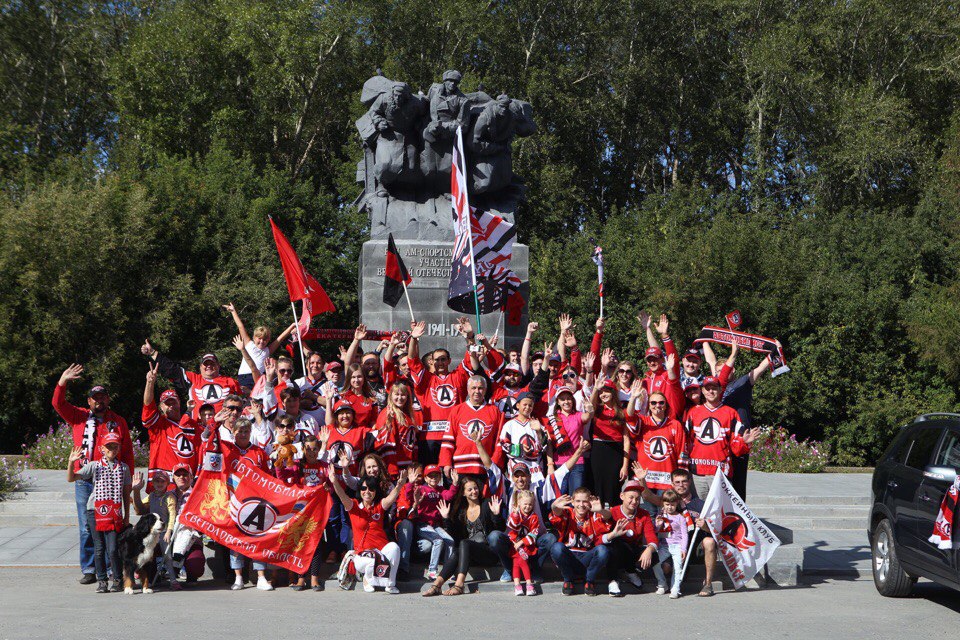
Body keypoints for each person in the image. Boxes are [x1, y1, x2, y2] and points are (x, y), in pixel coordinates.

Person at [53, 364, 134, 585]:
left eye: (103, 397)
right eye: (95, 397)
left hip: (111, 480)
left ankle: (110, 568)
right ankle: (90, 569)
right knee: (86, 527)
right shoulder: (78, 416)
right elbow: (58, 404)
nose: (99, 401)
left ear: (108, 400)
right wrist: (63, 381)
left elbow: (126, 452)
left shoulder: (118, 421)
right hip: (86, 480)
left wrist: (128, 484)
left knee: (111, 525)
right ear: (89, 401)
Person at [407, 319, 481, 464]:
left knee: (452, 478)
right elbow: (412, 360)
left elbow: (470, 357)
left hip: (453, 435)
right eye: (437, 360)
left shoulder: (458, 376)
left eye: (443, 359)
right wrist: (414, 338)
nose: (440, 363)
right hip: (430, 437)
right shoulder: (426, 380)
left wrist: (470, 336)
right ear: (431, 362)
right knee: (430, 478)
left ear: (449, 361)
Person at [421, 477, 510, 597]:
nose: (474, 491)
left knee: (465, 543)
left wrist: (496, 515)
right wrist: (446, 519)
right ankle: (437, 585)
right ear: (463, 493)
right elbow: (455, 537)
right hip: (470, 554)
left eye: (475, 488)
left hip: (489, 553)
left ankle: (459, 585)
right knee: (459, 549)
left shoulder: (486, 504)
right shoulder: (461, 511)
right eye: (470, 490)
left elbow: (499, 530)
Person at [66, 435, 132, 594]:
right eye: (108, 447)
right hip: (95, 510)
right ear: (101, 449)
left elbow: (125, 492)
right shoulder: (94, 466)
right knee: (99, 548)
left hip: (114, 511)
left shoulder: (124, 468)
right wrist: (71, 462)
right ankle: (102, 581)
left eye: (115, 446)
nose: (112, 450)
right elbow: (71, 478)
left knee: (113, 548)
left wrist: (127, 516)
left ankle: (117, 579)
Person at [641, 467, 717, 597]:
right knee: (665, 568)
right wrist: (642, 479)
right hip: (672, 545)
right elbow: (647, 495)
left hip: (693, 547)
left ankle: (708, 584)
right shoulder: (667, 501)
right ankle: (666, 584)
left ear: (690, 482)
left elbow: (715, 530)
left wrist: (705, 526)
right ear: (672, 483)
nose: (681, 485)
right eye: (677, 482)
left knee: (709, 541)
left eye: (684, 481)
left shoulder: (700, 504)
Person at [329, 468, 407, 594]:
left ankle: (389, 584)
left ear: (375, 492)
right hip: (362, 555)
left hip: (381, 551)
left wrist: (399, 485)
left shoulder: (379, 506)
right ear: (360, 491)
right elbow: (342, 496)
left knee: (394, 548)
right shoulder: (353, 506)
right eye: (364, 488)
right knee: (372, 562)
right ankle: (368, 578)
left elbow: (391, 498)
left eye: (371, 489)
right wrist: (334, 481)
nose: (367, 492)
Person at [684, 376, 758, 500]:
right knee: (698, 511)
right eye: (707, 389)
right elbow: (686, 442)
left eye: (714, 388)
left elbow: (736, 448)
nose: (711, 391)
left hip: (720, 472)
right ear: (702, 391)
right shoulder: (693, 413)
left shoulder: (731, 413)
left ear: (720, 390)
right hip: (697, 472)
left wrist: (745, 442)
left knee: (719, 512)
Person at [142, 340, 242, 420]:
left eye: (212, 364)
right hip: (199, 428)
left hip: (224, 427)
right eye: (206, 364)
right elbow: (172, 369)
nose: (209, 366)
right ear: (200, 367)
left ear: (218, 366)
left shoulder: (230, 381)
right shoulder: (193, 379)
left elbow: (243, 403)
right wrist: (153, 353)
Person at [396, 465, 457, 580]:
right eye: (430, 476)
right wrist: (410, 483)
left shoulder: (441, 489)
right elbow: (409, 496)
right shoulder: (421, 488)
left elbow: (449, 496)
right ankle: (432, 570)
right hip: (423, 523)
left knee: (450, 541)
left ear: (440, 478)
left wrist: (454, 484)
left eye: (436, 476)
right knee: (438, 540)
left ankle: (447, 571)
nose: (433, 478)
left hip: (435, 525)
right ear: (426, 478)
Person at [142, 363, 200, 483]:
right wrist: (150, 383)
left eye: (173, 402)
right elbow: (148, 405)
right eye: (167, 404)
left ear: (179, 402)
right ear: (161, 407)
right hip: (164, 483)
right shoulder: (158, 425)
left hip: (188, 482)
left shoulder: (191, 424)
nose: (171, 406)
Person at [440, 375, 505, 478]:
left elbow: (499, 441)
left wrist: (495, 463)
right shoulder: (457, 410)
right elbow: (448, 440)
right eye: (473, 388)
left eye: (480, 388)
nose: (477, 391)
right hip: (460, 467)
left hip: (486, 467)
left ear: (485, 390)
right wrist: (446, 463)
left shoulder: (494, 411)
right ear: (468, 389)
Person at [549, 489, 611, 596]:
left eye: (585, 501)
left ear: (590, 502)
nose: (581, 505)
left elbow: (608, 516)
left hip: (587, 557)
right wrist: (554, 507)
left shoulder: (593, 515)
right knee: (556, 547)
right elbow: (557, 514)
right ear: (572, 502)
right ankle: (568, 580)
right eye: (578, 501)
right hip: (570, 556)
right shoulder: (568, 512)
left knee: (603, 550)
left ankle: (589, 580)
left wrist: (600, 510)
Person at [600, 479, 657, 597]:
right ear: (622, 496)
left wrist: (649, 549)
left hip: (633, 549)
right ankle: (613, 580)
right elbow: (605, 517)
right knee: (616, 546)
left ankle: (630, 572)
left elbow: (651, 536)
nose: (634, 501)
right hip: (616, 549)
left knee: (654, 555)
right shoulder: (613, 511)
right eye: (631, 497)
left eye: (637, 498)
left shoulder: (644, 514)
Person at [625, 387, 687, 492]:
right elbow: (629, 416)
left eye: (661, 402)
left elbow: (681, 451)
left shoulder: (675, 424)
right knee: (645, 509)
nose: (657, 405)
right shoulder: (643, 422)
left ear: (666, 405)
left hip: (667, 481)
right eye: (653, 403)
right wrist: (633, 398)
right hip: (645, 479)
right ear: (648, 405)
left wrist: (680, 478)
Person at [221, 302, 295, 388]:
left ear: (268, 340)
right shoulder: (249, 344)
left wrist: (292, 326)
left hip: (259, 378)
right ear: (254, 338)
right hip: (245, 377)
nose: (262, 341)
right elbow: (241, 326)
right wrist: (233, 311)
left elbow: (280, 338)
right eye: (259, 338)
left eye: (265, 339)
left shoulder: (267, 350)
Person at [162, 464, 205, 590]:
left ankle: (189, 573)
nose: (182, 477)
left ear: (191, 477)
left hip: (191, 537)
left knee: (196, 565)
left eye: (185, 474)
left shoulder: (199, 495)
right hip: (169, 536)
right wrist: (136, 492)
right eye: (178, 475)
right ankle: (160, 573)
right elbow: (144, 508)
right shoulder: (167, 495)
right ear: (173, 478)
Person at [589, 377, 631, 508]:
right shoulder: (597, 409)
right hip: (598, 449)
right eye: (601, 392)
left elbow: (626, 439)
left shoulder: (621, 411)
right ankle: (598, 518)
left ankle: (614, 516)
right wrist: (595, 388)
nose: (603, 394)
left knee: (613, 486)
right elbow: (590, 405)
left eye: (607, 391)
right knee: (597, 485)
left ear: (613, 393)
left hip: (616, 451)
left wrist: (625, 465)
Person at [550, 387, 594, 495]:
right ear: (558, 402)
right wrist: (550, 464)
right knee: (561, 496)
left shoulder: (578, 415)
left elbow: (588, 417)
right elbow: (549, 444)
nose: (566, 401)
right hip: (560, 462)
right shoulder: (553, 418)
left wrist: (590, 410)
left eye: (568, 398)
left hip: (577, 462)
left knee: (576, 496)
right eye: (563, 399)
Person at [373, 381, 423, 475]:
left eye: (403, 395)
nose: (400, 398)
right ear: (390, 396)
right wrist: (393, 471)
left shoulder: (409, 415)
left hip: (409, 468)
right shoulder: (387, 414)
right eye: (396, 394)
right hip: (395, 469)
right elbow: (386, 445)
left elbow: (412, 444)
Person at [651, 489, 688, 598]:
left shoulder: (680, 517)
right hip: (664, 545)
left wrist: (683, 549)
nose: (670, 507)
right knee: (655, 562)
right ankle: (662, 584)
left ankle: (675, 588)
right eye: (667, 504)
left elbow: (685, 534)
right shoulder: (661, 515)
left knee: (677, 568)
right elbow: (656, 532)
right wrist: (658, 525)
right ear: (663, 503)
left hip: (677, 546)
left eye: (672, 504)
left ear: (677, 503)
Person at [507, 489, 540, 596]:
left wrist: (522, 542)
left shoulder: (534, 517)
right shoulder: (515, 513)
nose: (528, 506)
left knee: (519, 561)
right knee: (518, 561)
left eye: (530, 504)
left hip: (525, 545)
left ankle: (519, 586)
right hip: (514, 543)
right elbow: (513, 527)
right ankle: (528, 585)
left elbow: (534, 533)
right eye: (525, 504)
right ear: (519, 503)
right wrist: (516, 515)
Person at [341, 362, 379, 429]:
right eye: (353, 377)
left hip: (365, 434)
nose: (356, 380)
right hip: (347, 435)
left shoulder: (372, 399)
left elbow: (373, 422)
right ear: (349, 379)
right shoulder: (342, 397)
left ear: (364, 378)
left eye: (359, 377)